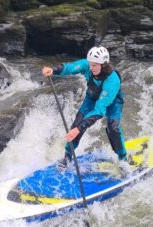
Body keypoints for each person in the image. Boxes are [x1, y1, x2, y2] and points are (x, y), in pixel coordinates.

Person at [42, 46, 131, 177]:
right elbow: (70, 67)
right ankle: (67, 157)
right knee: (76, 124)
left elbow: (99, 110)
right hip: (92, 98)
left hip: (112, 103)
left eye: (95, 65)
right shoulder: (88, 65)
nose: (91, 68)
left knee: (113, 128)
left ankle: (123, 159)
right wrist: (53, 70)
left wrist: (79, 128)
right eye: (90, 64)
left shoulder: (112, 80)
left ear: (104, 64)